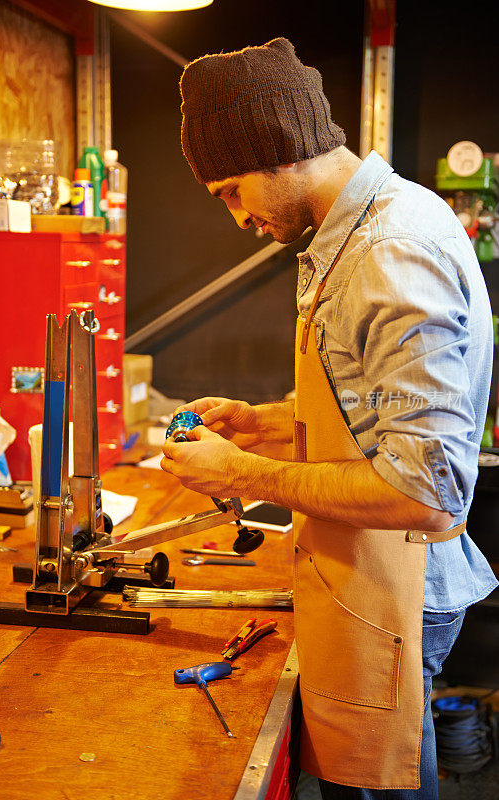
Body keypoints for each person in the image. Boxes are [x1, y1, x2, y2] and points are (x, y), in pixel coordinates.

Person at [161, 38, 498, 799]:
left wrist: (243, 474)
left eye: (229, 190)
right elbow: (376, 410)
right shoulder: (360, 234)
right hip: (370, 575)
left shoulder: (389, 249)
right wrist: (269, 423)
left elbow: (426, 489)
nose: (237, 217)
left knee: (377, 789)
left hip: (400, 585)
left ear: (277, 150)